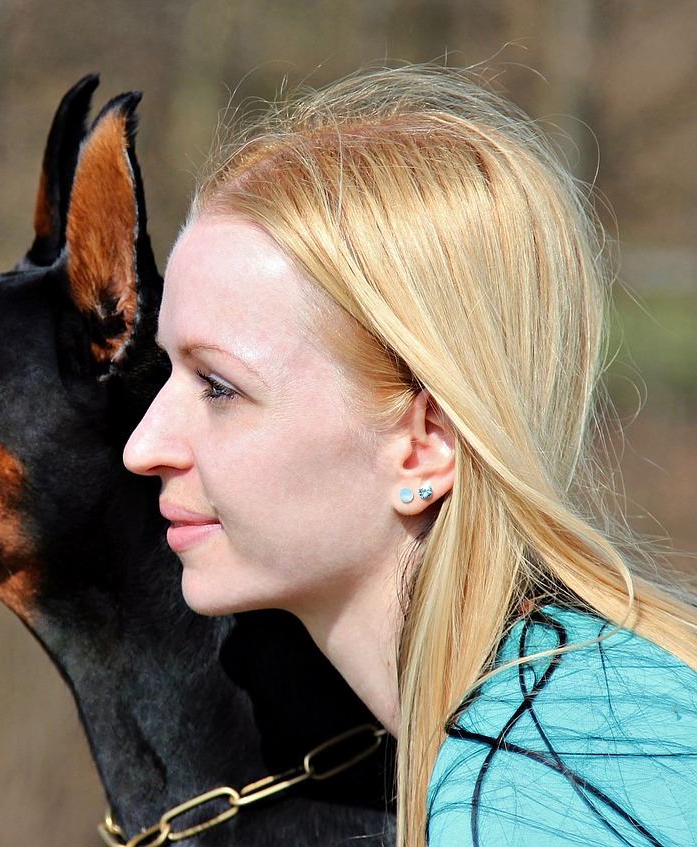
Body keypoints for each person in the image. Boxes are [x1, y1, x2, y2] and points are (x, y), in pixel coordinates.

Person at [123, 65, 697, 846]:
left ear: (426, 446)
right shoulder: (592, 712)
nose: (142, 446)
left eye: (218, 386)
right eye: (168, 373)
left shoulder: (529, 797)